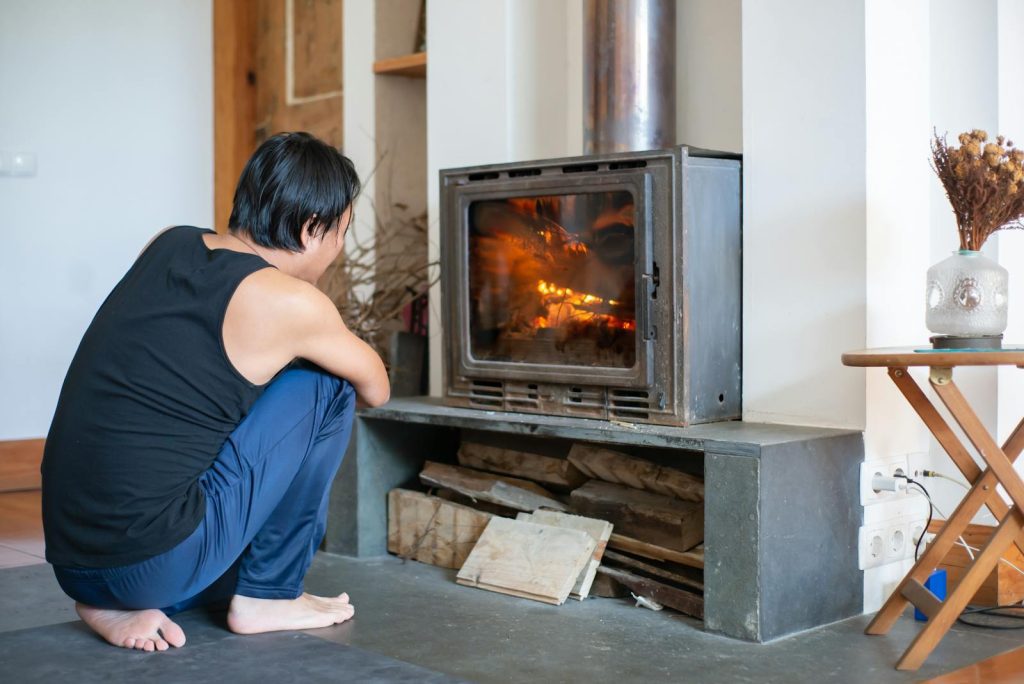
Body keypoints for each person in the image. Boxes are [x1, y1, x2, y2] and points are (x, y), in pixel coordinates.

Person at [40, 132, 389, 652]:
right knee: (328, 386)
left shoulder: (168, 242)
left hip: (73, 560)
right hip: (150, 564)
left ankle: (113, 602)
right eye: (341, 231)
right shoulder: (288, 301)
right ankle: (269, 594)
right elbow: (377, 387)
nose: (339, 248)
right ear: (311, 227)